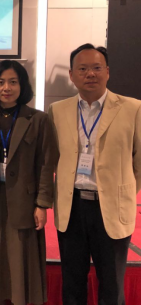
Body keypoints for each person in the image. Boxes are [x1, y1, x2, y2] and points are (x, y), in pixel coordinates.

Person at [49, 44, 141, 305]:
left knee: (112, 287)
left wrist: (121, 191)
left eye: (97, 67)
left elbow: (139, 162)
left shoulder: (133, 108)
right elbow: (53, 158)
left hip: (111, 208)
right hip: (72, 208)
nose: (90, 74)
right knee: (72, 284)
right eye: (83, 69)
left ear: (107, 72)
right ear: (71, 75)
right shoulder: (57, 110)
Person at [0, 60, 57, 305]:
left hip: (24, 200)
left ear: (22, 86)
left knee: (20, 257)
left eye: (12, 82)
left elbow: (46, 163)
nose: (6, 88)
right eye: (0, 82)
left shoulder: (38, 119)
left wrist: (42, 204)